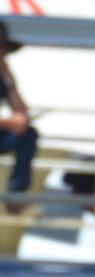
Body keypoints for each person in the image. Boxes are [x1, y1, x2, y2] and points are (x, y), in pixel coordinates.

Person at [0, 21, 38, 213]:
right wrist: (10, 122)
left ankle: (16, 192)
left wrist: (9, 81)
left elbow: (21, 111)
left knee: (28, 134)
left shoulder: (3, 76)